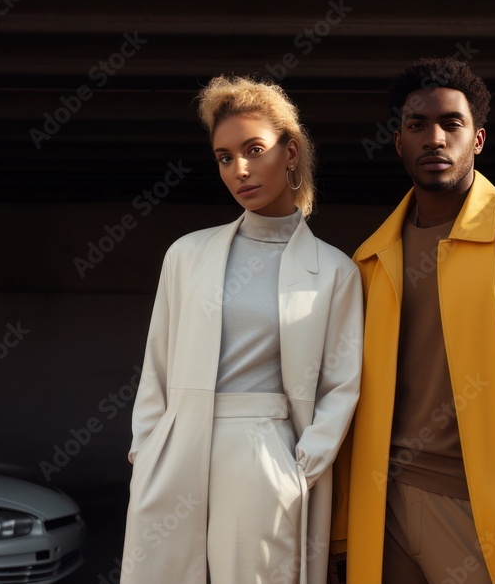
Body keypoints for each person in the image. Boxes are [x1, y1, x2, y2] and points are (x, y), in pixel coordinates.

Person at [330, 58, 495, 583]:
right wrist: (344, 528)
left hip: (485, 514)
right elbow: (347, 402)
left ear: (477, 139)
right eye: (416, 125)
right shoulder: (369, 260)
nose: (434, 138)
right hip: (381, 510)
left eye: (451, 123)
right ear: (397, 142)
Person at [121, 75, 363, 584]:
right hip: (177, 447)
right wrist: (146, 451)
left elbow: (342, 383)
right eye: (224, 157)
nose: (240, 170)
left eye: (255, 149)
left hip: (266, 450)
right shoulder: (187, 254)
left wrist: (302, 466)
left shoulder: (335, 270)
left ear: (291, 152)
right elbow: (156, 365)